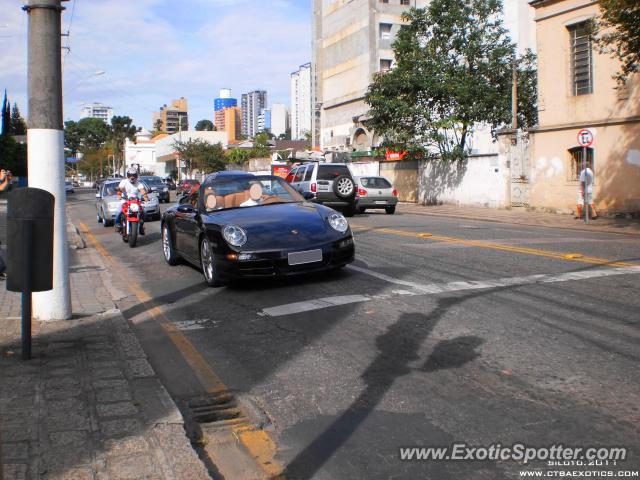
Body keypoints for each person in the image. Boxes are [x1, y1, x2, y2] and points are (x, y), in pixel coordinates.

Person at [115, 167, 149, 234]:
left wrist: (146, 198)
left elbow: (142, 191)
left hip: (135, 201)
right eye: (130, 175)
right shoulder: (124, 182)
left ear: (136, 176)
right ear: (128, 176)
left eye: (134, 175)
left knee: (143, 212)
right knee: (119, 210)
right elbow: (120, 189)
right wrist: (119, 196)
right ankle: (118, 224)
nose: (132, 177)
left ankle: (141, 227)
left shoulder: (139, 183)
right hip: (125, 200)